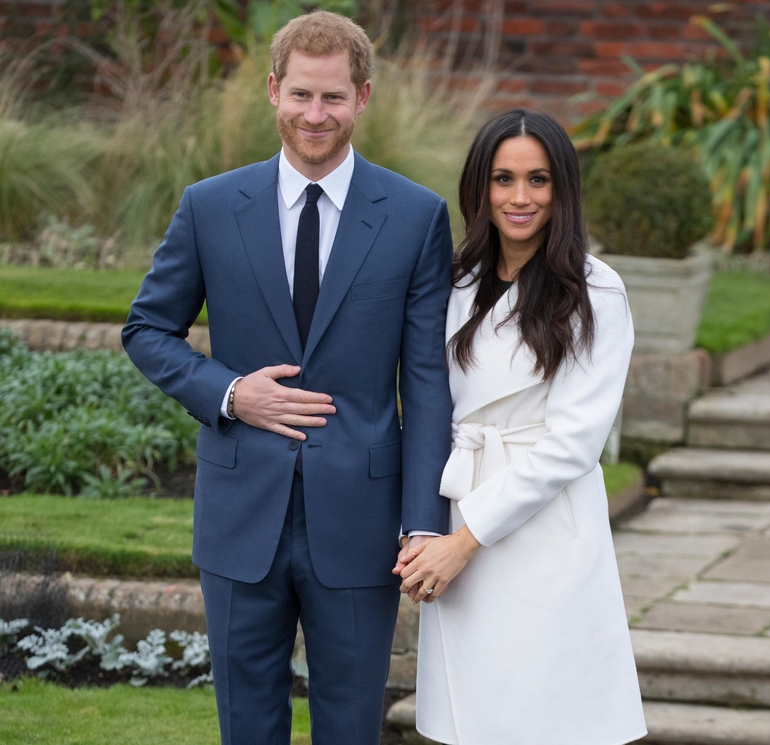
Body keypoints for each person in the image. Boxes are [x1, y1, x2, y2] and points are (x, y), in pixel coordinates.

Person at [122, 11, 452, 745]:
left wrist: (426, 519)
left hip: (362, 523)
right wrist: (233, 394)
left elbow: (427, 378)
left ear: (362, 97)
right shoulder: (210, 206)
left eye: (333, 97)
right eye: (301, 94)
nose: (315, 115)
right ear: (274, 90)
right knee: (247, 724)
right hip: (241, 514)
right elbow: (146, 330)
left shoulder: (415, 216)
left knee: (350, 724)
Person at [395, 109, 647, 745]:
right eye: (503, 179)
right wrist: (427, 530)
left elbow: (572, 446)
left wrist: (462, 543)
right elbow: (429, 407)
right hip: (459, 515)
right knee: (472, 721)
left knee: (542, 718)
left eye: (538, 180)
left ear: (562, 188)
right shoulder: (454, 281)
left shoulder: (596, 292)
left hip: (540, 532)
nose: (519, 197)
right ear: (479, 186)